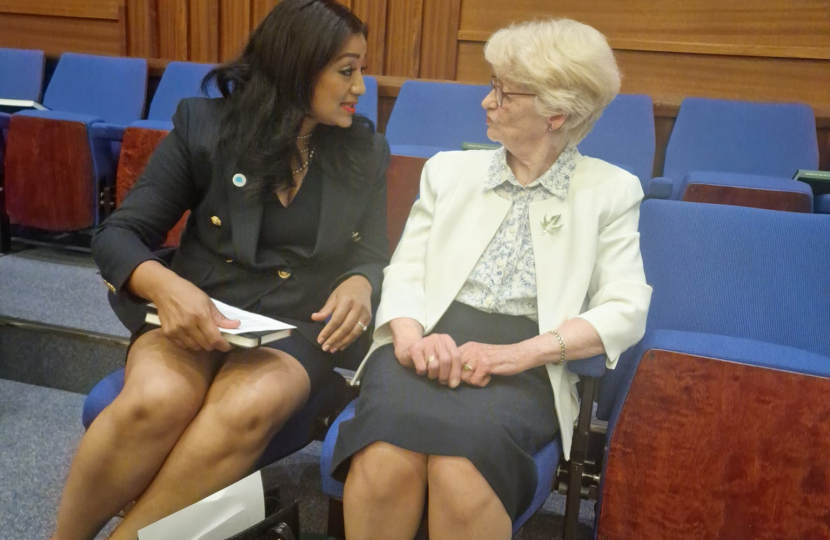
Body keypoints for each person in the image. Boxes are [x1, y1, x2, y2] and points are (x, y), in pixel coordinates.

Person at [50, 2, 390, 540]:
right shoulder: (204, 127)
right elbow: (117, 234)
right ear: (296, 67)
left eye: (360, 70)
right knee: (157, 401)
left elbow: (373, 252)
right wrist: (164, 287)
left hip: (297, 324)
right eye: (347, 70)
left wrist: (362, 280)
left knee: (243, 409)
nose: (361, 87)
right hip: (198, 308)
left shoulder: (364, 151)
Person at [330, 18, 653, 540]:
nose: (486, 102)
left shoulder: (610, 192)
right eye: (492, 87)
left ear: (557, 114)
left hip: (527, 363)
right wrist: (412, 343)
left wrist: (517, 355)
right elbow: (406, 269)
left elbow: (625, 308)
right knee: (386, 459)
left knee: (463, 471)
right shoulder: (448, 172)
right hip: (425, 340)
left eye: (504, 93)